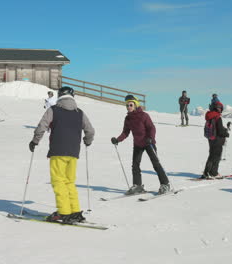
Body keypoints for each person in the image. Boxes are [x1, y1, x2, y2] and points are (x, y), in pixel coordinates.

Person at [29, 86, 95, 224]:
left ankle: (64, 212)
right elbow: (90, 130)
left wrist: (35, 141)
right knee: (69, 182)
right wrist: (87, 141)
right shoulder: (79, 112)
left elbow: (42, 126)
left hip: (58, 151)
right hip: (73, 153)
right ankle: (75, 211)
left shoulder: (53, 110)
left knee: (58, 181)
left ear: (59, 96)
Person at [111, 95, 171, 195]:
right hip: (138, 144)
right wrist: (117, 140)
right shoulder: (128, 118)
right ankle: (137, 186)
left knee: (156, 164)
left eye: (130, 105)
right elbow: (125, 132)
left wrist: (150, 138)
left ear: (135, 105)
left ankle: (165, 184)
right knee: (135, 165)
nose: (128, 107)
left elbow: (152, 128)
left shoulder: (144, 115)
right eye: (127, 105)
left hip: (148, 142)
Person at [201, 101, 229, 178]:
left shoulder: (210, 115)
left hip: (211, 138)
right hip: (217, 140)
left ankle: (206, 172)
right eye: (219, 108)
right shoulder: (217, 117)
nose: (220, 109)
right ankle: (213, 173)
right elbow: (220, 131)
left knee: (211, 155)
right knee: (216, 156)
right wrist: (226, 133)